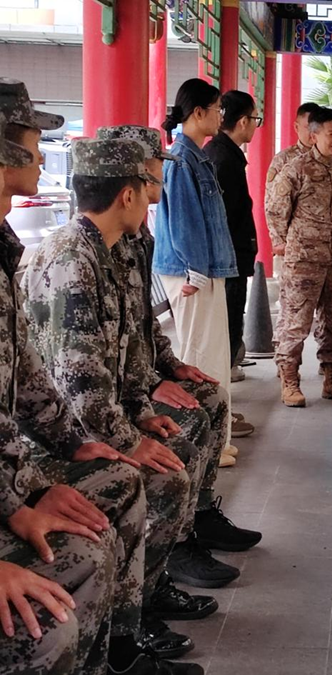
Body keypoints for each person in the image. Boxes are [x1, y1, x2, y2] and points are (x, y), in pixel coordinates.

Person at [21, 138, 214, 670]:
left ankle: (137, 613)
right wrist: (128, 441)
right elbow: (76, 382)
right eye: (148, 185)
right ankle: (127, 635)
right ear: (127, 195)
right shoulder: (72, 260)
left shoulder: (106, 250)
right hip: (54, 442)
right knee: (154, 476)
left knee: (178, 440)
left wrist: (141, 410)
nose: (154, 196)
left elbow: (128, 347)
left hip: (83, 424)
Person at [96, 125, 260, 560]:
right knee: (182, 439)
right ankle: (176, 550)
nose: (160, 177)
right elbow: (80, 376)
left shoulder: (134, 239)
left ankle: (201, 517)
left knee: (211, 395)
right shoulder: (77, 258)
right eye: (154, 169)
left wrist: (169, 368)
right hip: (105, 410)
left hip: (132, 389)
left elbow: (143, 325)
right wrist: (145, 400)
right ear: (129, 182)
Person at [0, 107, 118, 675]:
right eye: (31, 140)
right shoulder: (70, 254)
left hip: (12, 476)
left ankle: (121, 648)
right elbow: (75, 369)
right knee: (48, 624)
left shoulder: (4, 250)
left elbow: (25, 381)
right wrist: (17, 503)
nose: (40, 155)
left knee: (102, 510)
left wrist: (72, 445)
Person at [154, 78, 237, 447]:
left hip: (201, 270)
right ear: (199, 112)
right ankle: (203, 443)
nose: (221, 116)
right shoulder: (182, 160)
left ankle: (216, 441)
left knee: (211, 353)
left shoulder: (194, 157)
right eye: (217, 109)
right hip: (193, 273)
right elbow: (184, 222)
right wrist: (196, 272)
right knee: (201, 356)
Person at [266, 107, 332, 407]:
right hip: (304, 260)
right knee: (296, 322)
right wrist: (282, 242)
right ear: (314, 135)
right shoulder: (297, 168)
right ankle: (290, 380)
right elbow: (276, 208)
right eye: (331, 134)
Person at [203, 91, 262, 436]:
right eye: (255, 119)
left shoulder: (224, 154)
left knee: (228, 334)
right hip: (226, 264)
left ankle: (222, 409)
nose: (255, 125)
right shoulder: (222, 158)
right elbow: (222, 218)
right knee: (223, 337)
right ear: (243, 122)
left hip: (232, 261)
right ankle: (219, 415)